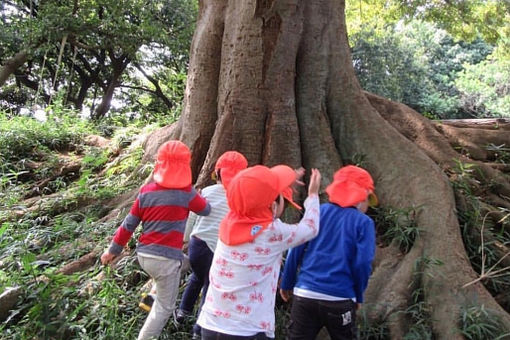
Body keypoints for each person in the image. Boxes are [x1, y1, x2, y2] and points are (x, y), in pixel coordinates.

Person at [100, 140, 211, 340]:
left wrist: (112, 251)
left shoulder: (146, 192)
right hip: (166, 261)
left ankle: (152, 293)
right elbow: (206, 209)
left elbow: (128, 225)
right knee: (165, 309)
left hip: (145, 255)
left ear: (159, 164)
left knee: (187, 264)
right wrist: (203, 196)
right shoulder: (187, 193)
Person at [197, 165, 322, 340]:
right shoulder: (271, 232)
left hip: (210, 323)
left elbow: (251, 193)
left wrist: (285, 179)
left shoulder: (228, 222)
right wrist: (313, 196)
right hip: (247, 329)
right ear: (272, 206)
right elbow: (310, 228)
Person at [279, 165, 378, 340]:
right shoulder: (364, 223)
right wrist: (358, 295)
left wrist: (287, 283)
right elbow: (362, 263)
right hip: (340, 298)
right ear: (360, 198)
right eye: (368, 200)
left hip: (305, 294)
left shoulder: (319, 212)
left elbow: (296, 249)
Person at [175, 151, 249, 338]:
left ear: (217, 172)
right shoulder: (240, 197)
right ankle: (199, 330)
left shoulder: (206, 191)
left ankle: (183, 312)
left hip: (196, 246)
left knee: (197, 277)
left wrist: (184, 237)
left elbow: (192, 215)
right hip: (217, 250)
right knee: (210, 288)